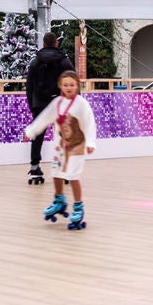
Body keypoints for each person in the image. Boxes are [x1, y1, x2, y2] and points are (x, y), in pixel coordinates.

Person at [24, 69, 97, 230]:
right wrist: (30, 132)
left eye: (72, 85)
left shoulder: (82, 104)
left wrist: (91, 143)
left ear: (78, 86)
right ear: (60, 86)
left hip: (77, 146)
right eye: (65, 85)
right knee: (56, 174)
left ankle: (78, 206)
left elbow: (90, 123)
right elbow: (44, 118)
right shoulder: (57, 103)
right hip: (60, 147)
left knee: (73, 176)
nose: (69, 88)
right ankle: (59, 200)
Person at [24, 31, 70, 185]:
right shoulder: (64, 62)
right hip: (60, 104)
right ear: (56, 43)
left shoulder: (35, 62)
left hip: (40, 103)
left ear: (43, 44)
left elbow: (29, 86)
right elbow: (73, 83)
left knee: (37, 136)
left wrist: (32, 105)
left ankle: (35, 167)